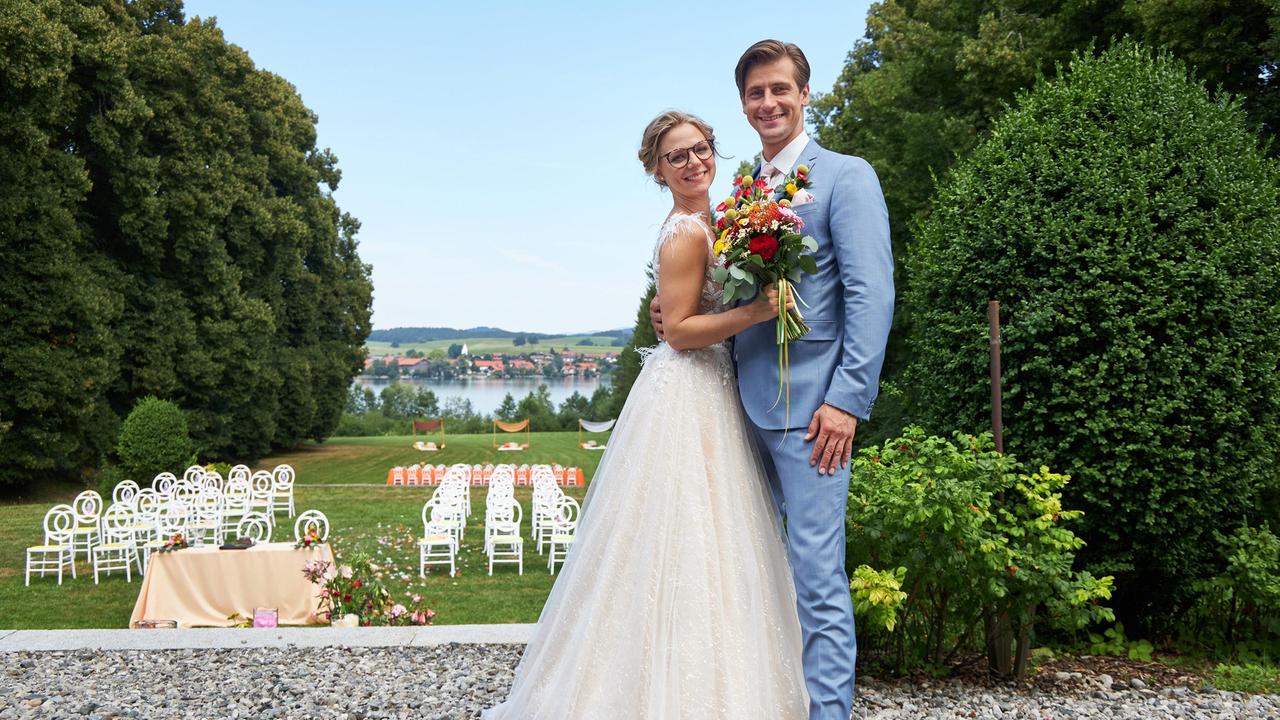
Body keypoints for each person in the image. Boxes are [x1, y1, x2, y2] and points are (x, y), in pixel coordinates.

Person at [481, 111, 808, 719]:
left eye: (701, 149)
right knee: (680, 533)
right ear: (657, 171)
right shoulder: (686, 230)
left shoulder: (724, 219)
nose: (694, 163)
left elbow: (680, 313)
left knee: (716, 533)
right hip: (687, 388)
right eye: (676, 156)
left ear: (715, 150)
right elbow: (681, 331)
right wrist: (757, 314)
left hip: (711, 384)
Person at [650, 40, 894, 720]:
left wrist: (847, 400)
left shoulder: (847, 178)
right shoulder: (742, 195)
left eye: (780, 89)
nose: (769, 103)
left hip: (814, 414)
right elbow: (722, 295)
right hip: (735, 407)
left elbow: (873, 298)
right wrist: (673, 313)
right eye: (756, 93)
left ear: (804, 93)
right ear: (744, 104)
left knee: (817, 580)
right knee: (747, 573)